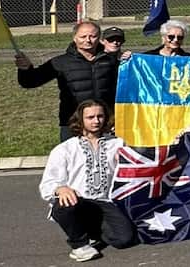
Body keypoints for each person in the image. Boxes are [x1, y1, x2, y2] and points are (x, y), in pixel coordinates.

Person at [39, 100, 134, 262]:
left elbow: (144, 159)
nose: (96, 121)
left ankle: (89, 230)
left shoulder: (117, 144)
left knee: (124, 239)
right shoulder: (66, 149)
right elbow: (48, 183)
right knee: (64, 202)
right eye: (90, 117)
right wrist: (60, 188)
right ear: (80, 120)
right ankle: (79, 245)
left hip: (105, 202)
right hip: (77, 202)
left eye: (100, 116)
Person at [16, 21, 121, 141]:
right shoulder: (60, 62)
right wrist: (25, 69)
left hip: (104, 122)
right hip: (72, 123)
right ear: (74, 38)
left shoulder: (112, 62)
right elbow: (30, 81)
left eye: (93, 36)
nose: (88, 40)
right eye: (83, 36)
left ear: (100, 38)